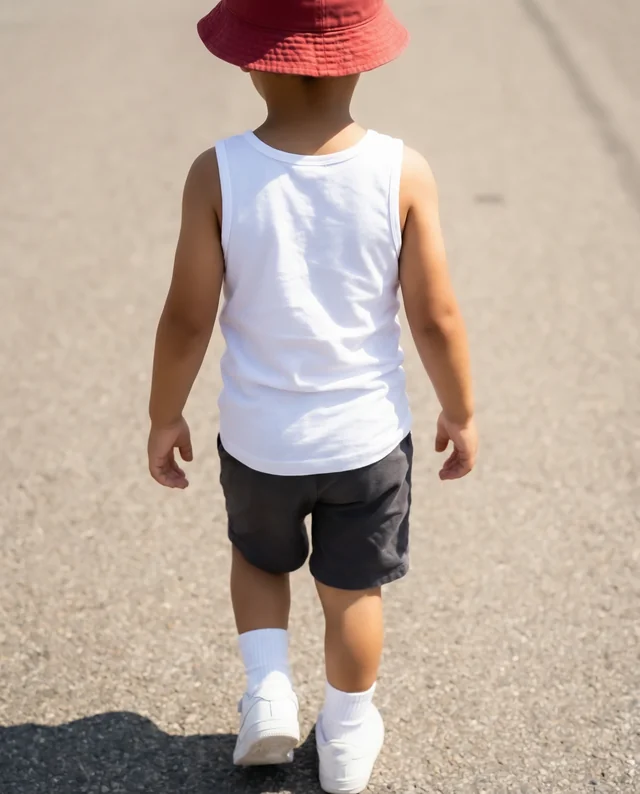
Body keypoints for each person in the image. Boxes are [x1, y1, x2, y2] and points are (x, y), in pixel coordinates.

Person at [147, 1, 478, 791]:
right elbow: (435, 315)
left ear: (252, 64)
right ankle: (347, 734)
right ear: (359, 61)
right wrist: (460, 410)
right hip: (364, 441)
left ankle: (267, 697)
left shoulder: (217, 171)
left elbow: (189, 316)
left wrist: (165, 414)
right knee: (350, 590)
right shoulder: (402, 169)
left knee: (259, 560)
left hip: (259, 437)